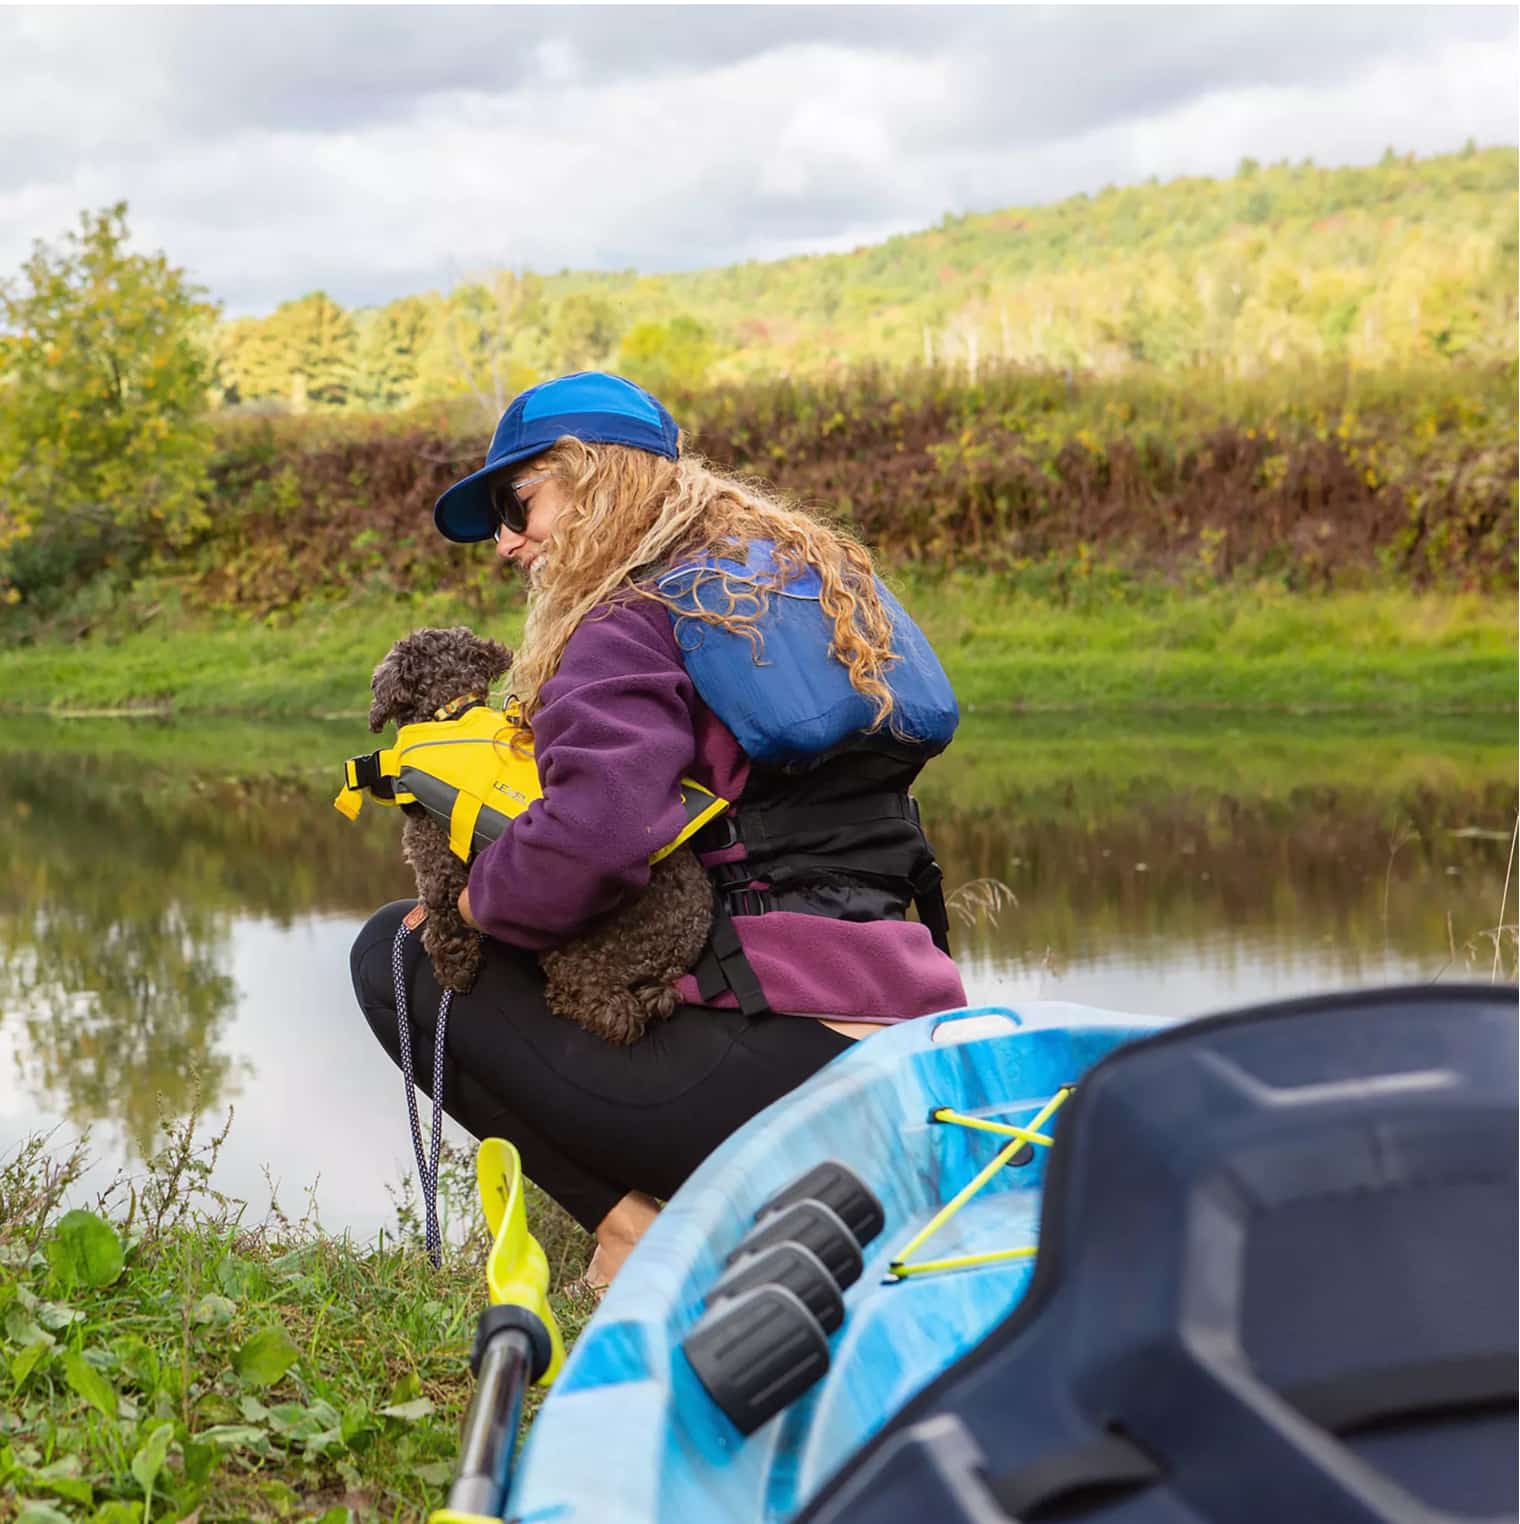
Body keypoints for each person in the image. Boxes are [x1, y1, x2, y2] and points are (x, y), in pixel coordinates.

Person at [349, 371, 966, 1289]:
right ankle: (678, 1220)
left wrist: (472, 903)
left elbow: (590, 842)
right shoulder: (791, 597)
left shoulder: (621, 622)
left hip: (778, 1075)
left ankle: (637, 1234)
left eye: (518, 505)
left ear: (591, 478)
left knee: (394, 953)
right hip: (915, 1046)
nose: (509, 544)